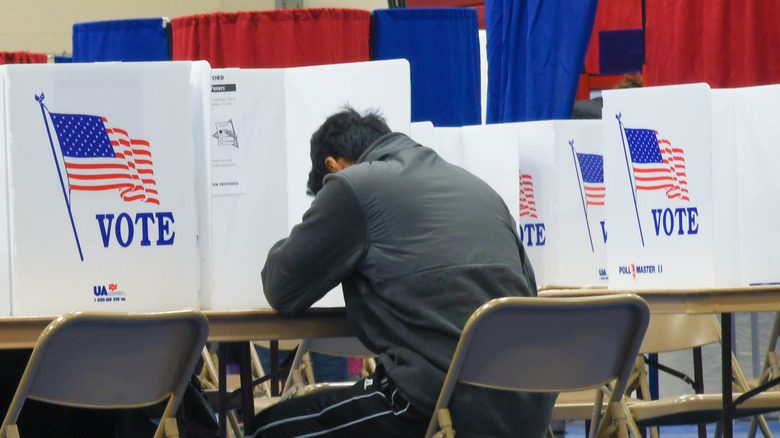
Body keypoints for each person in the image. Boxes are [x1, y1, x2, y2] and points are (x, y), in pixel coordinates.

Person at [253, 108, 556, 437]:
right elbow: (528, 295)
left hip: (438, 405)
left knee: (268, 429)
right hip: (528, 408)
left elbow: (281, 287)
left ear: (334, 165)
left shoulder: (352, 186)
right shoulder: (481, 190)